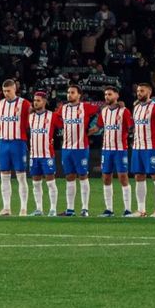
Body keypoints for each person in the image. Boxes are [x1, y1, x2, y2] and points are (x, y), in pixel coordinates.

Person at [0, 79, 31, 217]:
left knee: (21, 176)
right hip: (3, 143)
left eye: (9, 91)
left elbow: (33, 121)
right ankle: (6, 208)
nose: (6, 93)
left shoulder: (24, 104)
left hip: (18, 143)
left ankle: (23, 209)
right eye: (4, 91)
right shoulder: (0, 104)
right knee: (4, 176)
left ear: (14, 89)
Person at [56, 84, 99, 217]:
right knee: (69, 177)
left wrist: (95, 128)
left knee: (83, 176)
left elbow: (102, 110)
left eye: (72, 92)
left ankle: (85, 209)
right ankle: (70, 209)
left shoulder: (85, 107)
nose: (69, 95)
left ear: (79, 95)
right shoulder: (63, 108)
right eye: (68, 92)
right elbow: (56, 119)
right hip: (66, 148)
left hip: (81, 148)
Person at [97, 87, 133, 217]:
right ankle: (109, 209)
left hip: (120, 149)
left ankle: (127, 209)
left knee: (123, 177)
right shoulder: (104, 111)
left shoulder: (124, 111)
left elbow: (131, 127)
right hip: (106, 150)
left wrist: (132, 137)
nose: (107, 96)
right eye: (105, 94)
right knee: (106, 177)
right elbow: (99, 127)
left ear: (117, 95)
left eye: (109, 94)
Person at [129, 82, 155, 217]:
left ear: (149, 92)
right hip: (137, 147)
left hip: (151, 147)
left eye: (142, 91)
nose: (139, 93)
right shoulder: (136, 107)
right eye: (138, 91)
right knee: (139, 176)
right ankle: (141, 210)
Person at [26, 91, 58, 216]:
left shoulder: (52, 116)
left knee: (50, 183)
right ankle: (39, 209)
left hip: (47, 155)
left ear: (44, 102)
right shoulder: (30, 117)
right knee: (36, 183)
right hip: (34, 155)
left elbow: (63, 126)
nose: (35, 103)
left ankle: (53, 209)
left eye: (38, 100)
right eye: (34, 100)